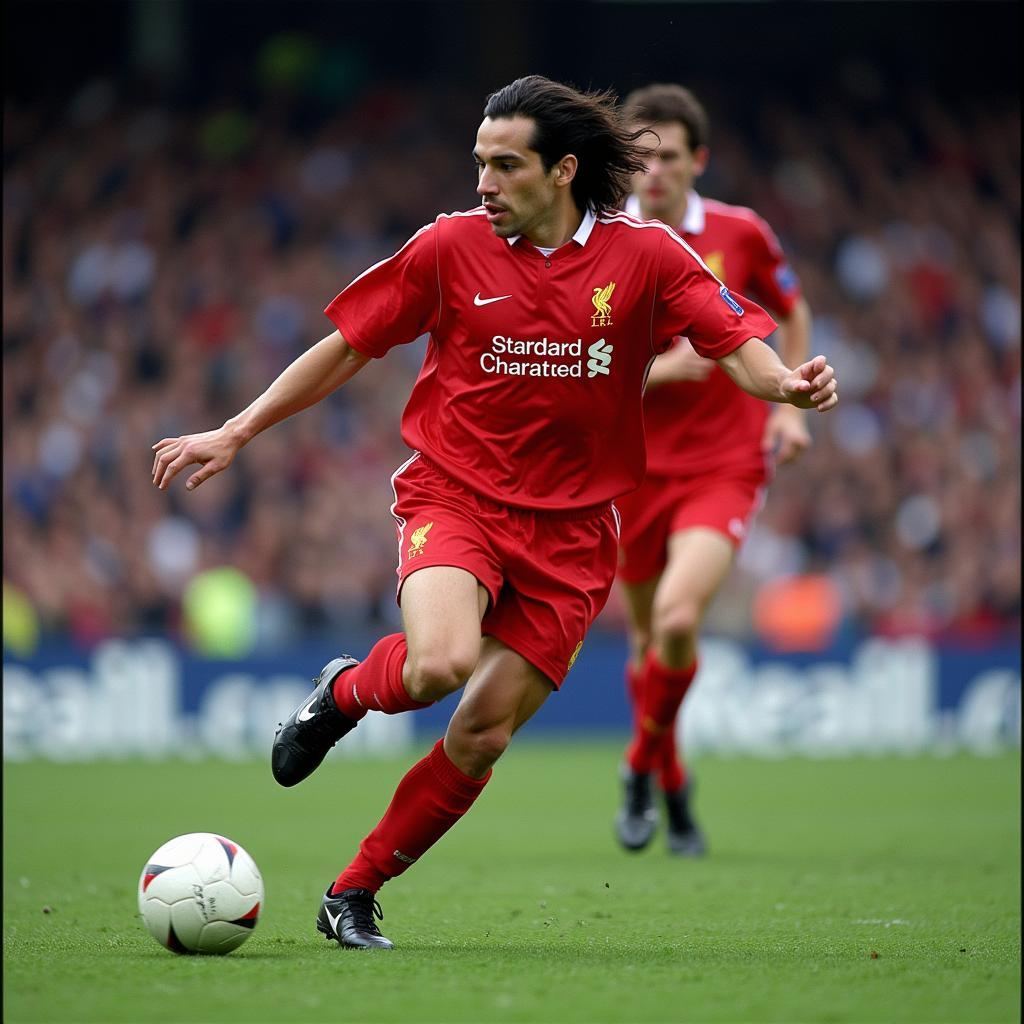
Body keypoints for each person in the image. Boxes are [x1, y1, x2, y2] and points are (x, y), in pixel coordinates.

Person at [151, 75, 838, 950]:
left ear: (562, 171)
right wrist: (238, 429)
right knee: (440, 664)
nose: (482, 182)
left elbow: (733, 338)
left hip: (578, 533)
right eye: (478, 162)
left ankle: (352, 892)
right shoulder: (447, 247)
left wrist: (784, 384)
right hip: (457, 492)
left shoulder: (648, 255)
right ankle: (345, 693)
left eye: (504, 165)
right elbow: (348, 345)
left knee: (478, 734)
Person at [612, 83, 814, 857]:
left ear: (698, 161)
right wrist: (662, 372)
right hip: (630, 471)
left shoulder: (741, 233)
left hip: (723, 464)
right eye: (639, 157)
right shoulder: (598, 244)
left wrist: (788, 409)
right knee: (642, 647)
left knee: (674, 619)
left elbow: (791, 311)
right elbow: (586, 367)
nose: (652, 171)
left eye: (667, 156)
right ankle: (672, 784)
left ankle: (636, 766)